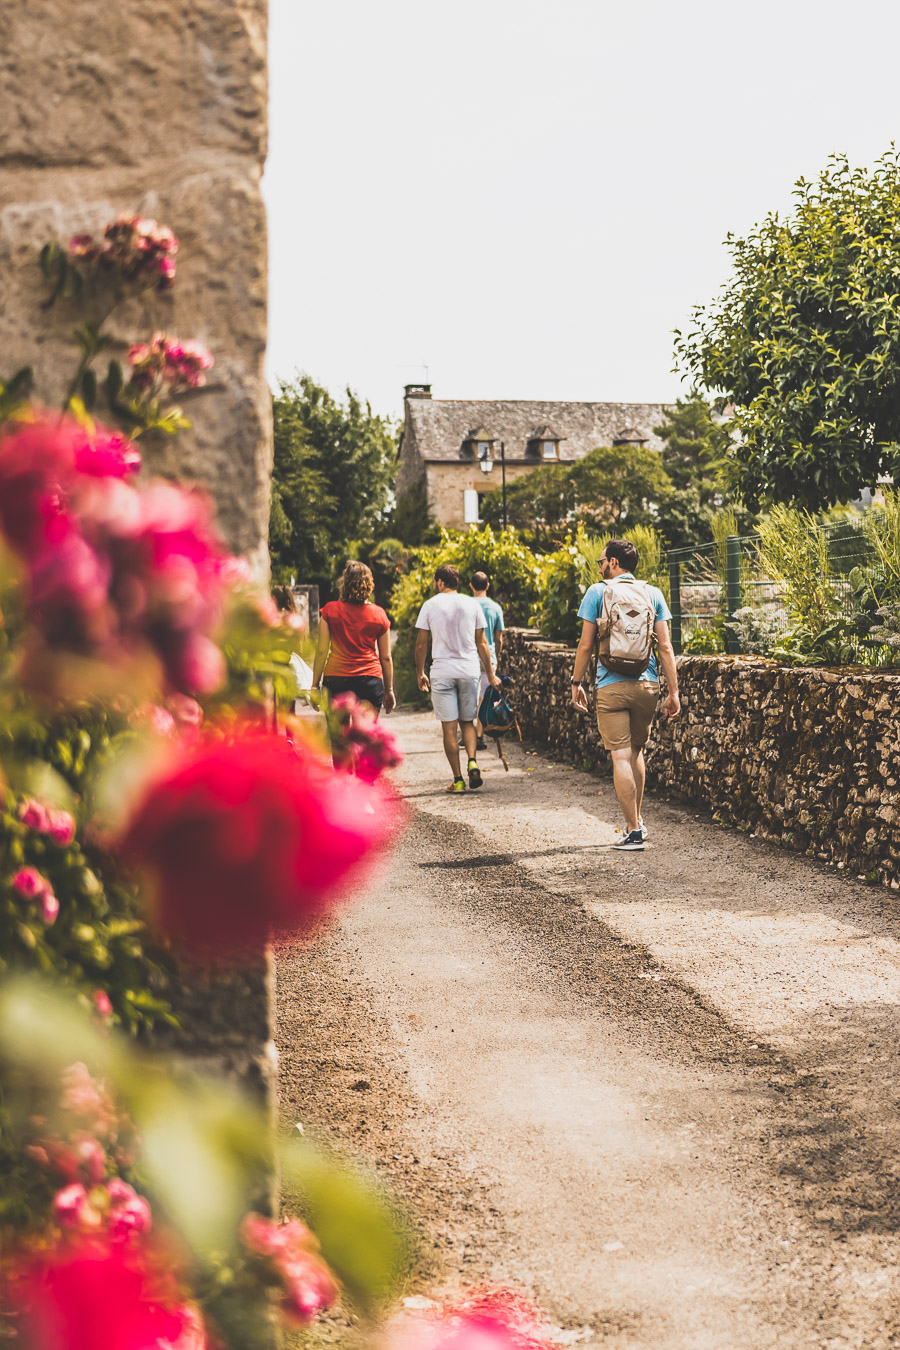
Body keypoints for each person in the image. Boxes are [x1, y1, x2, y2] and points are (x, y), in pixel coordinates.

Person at [570, 538, 680, 851]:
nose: (601, 566)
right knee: (636, 752)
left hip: (611, 686)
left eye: (603, 560)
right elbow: (666, 647)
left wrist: (575, 683)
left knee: (619, 756)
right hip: (647, 686)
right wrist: (674, 692)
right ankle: (639, 821)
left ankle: (632, 831)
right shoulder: (653, 593)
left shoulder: (598, 591)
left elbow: (586, 645)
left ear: (614, 563)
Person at [415, 564, 501, 793]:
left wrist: (420, 673)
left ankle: (458, 779)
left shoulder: (430, 605)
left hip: (442, 672)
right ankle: (473, 760)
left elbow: (422, 643)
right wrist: (491, 675)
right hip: (468, 670)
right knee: (468, 722)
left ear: (441, 582)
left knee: (449, 728)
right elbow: (482, 643)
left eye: (436, 581)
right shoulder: (471, 604)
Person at [313, 561, 395, 715]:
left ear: (345, 583)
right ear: (369, 584)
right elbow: (386, 657)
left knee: (338, 736)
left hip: (336, 679)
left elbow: (321, 651)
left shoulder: (329, 611)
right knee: (367, 735)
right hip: (369, 679)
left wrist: (315, 685)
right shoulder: (379, 614)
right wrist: (389, 690)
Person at [469, 571, 505, 750]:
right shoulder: (495, 607)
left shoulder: (467, 605)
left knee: (470, 696)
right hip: (488, 657)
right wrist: (495, 655)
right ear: (488, 586)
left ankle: (469, 732)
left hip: (470, 657)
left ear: (471, 585)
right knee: (484, 697)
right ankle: (479, 736)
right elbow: (499, 638)